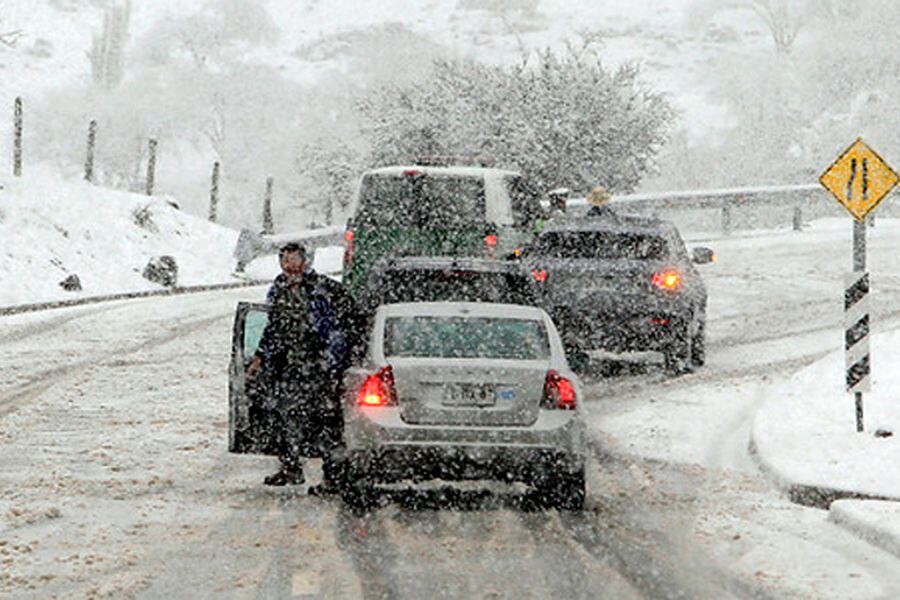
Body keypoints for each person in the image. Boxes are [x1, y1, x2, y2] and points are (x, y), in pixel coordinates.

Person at [246, 243, 361, 493]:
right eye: (284, 260)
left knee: (327, 420)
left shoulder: (324, 289)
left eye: (293, 259)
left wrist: (334, 361)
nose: (288, 265)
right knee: (286, 416)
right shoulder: (278, 289)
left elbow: (343, 326)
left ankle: (333, 477)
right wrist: (259, 357)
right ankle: (290, 467)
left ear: (305, 261)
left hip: (320, 367)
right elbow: (273, 327)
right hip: (289, 367)